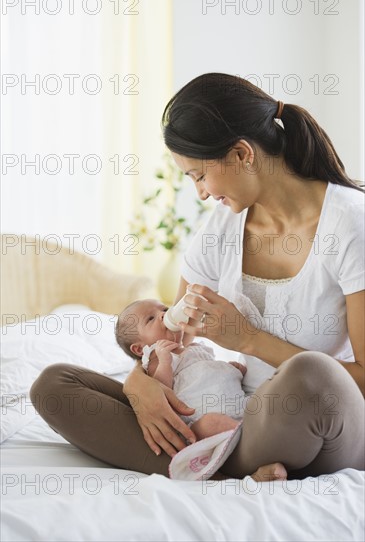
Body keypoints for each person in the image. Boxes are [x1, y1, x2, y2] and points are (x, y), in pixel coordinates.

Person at [30, 72, 364, 480]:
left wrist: (249, 340)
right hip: (234, 415)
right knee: (55, 385)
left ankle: (211, 465)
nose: (202, 193)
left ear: (242, 153)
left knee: (312, 374)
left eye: (199, 175)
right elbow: (173, 334)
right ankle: (225, 462)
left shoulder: (350, 224)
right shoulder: (223, 227)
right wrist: (141, 388)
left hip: (318, 420)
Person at [115, 298, 248, 440]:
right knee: (212, 423)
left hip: (236, 403)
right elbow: (160, 392)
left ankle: (250, 440)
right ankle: (248, 444)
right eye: (150, 318)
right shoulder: (156, 359)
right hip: (201, 417)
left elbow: (209, 371)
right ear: (139, 348)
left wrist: (230, 368)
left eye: (165, 310)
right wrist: (165, 362)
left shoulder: (194, 348)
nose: (163, 315)